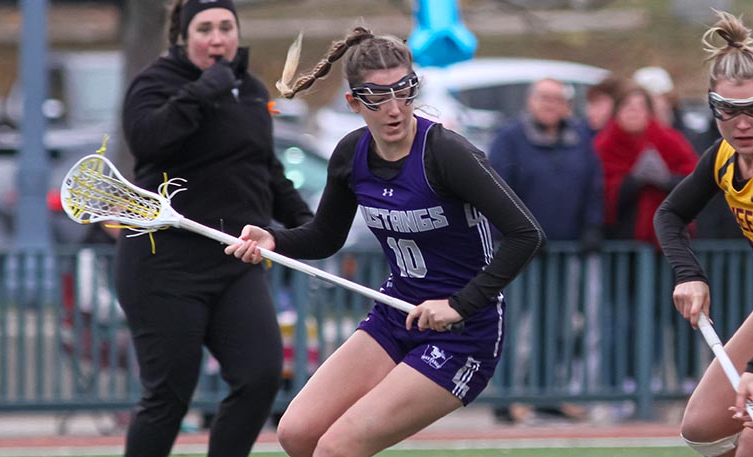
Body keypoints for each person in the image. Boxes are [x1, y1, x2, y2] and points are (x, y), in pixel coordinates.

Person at [225, 26, 545, 457]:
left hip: (463, 332)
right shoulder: (350, 154)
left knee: (337, 447)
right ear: (354, 102)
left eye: (404, 91)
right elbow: (325, 236)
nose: (395, 109)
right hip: (395, 316)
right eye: (377, 97)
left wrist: (458, 305)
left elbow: (527, 234)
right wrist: (274, 240)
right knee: (296, 433)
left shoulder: (447, 153)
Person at [115, 1, 314, 456]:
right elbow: (147, 139)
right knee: (169, 394)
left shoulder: (251, 90)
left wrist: (306, 224)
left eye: (226, 27)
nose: (218, 38)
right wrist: (204, 90)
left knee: (261, 376)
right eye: (205, 28)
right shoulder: (154, 84)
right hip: (163, 264)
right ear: (184, 37)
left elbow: (263, 167)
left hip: (234, 259)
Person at [654, 10, 753, 457]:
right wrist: (688, 273)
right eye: (728, 109)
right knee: (703, 430)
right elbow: (670, 214)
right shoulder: (722, 157)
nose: (742, 123)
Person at [487, 77, 603, 423]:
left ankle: (547, 393)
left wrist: (592, 227)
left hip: (564, 249)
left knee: (556, 326)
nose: (550, 105)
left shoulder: (579, 138)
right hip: (519, 250)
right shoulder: (511, 138)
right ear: (530, 101)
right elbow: (497, 189)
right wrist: (518, 234)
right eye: (544, 98)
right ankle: (506, 397)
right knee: (512, 323)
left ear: (567, 105)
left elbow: (593, 186)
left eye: (557, 99)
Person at [595, 85, 698, 245]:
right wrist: (633, 181)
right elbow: (598, 193)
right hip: (619, 239)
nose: (633, 112)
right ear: (616, 112)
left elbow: (694, 182)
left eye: (640, 107)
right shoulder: (603, 146)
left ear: (650, 112)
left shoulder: (671, 141)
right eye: (627, 106)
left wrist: (666, 180)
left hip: (667, 239)